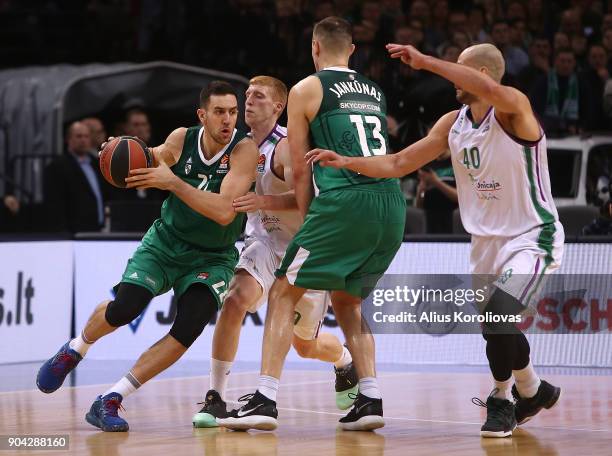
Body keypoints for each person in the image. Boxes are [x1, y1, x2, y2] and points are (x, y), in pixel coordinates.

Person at [307, 42, 564, 438]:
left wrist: (426, 61)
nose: (451, 78)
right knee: (497, 326)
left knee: (499, 313)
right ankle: (532, 389)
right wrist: (347, 162)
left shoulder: (513, 107)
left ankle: (502, 398)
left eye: (461, 69)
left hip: (531, 236)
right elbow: (398, 162)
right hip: (484, 243)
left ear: (481, 72)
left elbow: (493, 92)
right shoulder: (453, 124)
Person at [36, 81, 259, 432]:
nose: (228, 119)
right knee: (124, 308)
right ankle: (76, 348)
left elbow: (224, 212)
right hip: (166, 243)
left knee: (189, 327)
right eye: (219, 112)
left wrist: (172, 183)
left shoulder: (244, 150)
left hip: (212, 255)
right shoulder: (181, 139)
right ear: (202, 115)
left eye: (232, 112)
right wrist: (120, 150)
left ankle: (110, 398)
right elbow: (149, 158)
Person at [217, 16, 406, 432]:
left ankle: (264, 399)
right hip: (391, 205)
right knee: (348, 302)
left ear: (315, 48)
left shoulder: (307, 88)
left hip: (343, 203)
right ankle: (370, 397)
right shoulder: (374, 90)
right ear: (352, 50)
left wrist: (309, 221)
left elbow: (302, 170)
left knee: (284, 291)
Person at [192, 75, 358, 428]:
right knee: (235, 300)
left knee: (306, 346)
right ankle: (216, 397)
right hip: (264, 243)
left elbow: (310, 203)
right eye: (247, 95)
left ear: (279, 106)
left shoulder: (286, 147)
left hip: (301, 247)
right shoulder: (238, 147)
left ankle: (344, 359)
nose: (249, 101)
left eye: (259, 96)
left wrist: (263, 199)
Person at [44, 121, 110, 232]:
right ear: (68, 139)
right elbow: (55, 204)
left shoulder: (97, 164)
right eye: (79, 136)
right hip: (74, 231)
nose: (83, 140)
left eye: (86, 136)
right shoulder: (57, 166)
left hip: (98, 229)